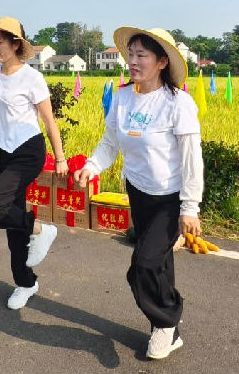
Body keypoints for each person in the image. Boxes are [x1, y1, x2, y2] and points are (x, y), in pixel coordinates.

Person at [74, 27, 203, 361]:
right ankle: (169, 312)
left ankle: (166, 323)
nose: (133, 61)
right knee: (158, 260)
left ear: (162, 62)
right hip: (138, 191)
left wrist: (189, 208)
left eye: (141, 55)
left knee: (142, 266)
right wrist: (92, 166)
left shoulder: (178, 103)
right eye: (130, 54)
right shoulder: (122, 97)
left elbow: (191, 159)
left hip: (170, 197)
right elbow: (110, 142)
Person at [0, 16, 68, 310]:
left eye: (0, 42)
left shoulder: (31, 77)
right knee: (11, 222)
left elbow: (49, 120)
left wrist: (60, 158)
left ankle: (42, 231)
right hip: (5, 152)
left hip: (29, 151)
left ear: (15, 44)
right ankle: (25, 282)